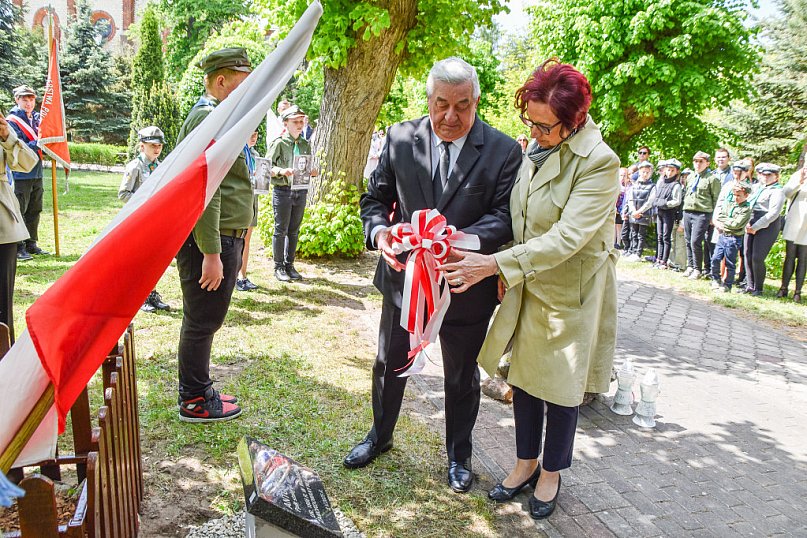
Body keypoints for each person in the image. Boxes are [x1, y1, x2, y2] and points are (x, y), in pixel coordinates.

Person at [438, 59, 619, 519]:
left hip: (569, 293)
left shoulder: (599, 162)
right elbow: (519, 216)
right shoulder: (537, 151)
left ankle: (552, 473)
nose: (534, 132)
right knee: (524, 378)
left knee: (559, 385)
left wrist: (495, 264)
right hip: (526, 281)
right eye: (530, 121)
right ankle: (524, 463)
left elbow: (568, 237)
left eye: (544, 125)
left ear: (574, 119)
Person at [348, 57, 521, 494]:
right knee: (389, 364)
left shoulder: (503, 151)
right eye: (441, 104)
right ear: (429, 99)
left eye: (462, 106)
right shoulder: (401, 138)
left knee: (461, 375)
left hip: (464, 284)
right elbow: (375, 199)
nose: (450, 116)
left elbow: (504, 216)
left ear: (476, 101)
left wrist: (459, 240)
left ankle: (459, 456)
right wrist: (381, 233)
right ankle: (380, 436)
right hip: (404, 280)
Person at [174, 47, 254, 422]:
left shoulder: (219, 117)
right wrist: (210, 252)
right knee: (202, 320)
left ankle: (200, 388)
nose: (247, 90)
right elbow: (206, 188)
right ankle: (193, 400)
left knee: (205, 319)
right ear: (221, 80)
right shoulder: (209, 118)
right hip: (213, 237)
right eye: (241, 83)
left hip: (223, 235)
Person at [119, 126, 171, 312]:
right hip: (140, 220)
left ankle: (152, 293)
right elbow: (123, 193)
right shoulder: (135, 167)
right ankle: (140, 297)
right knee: (141, 260)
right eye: (152, 145)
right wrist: (144, 202)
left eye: (159, 146)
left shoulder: (161, 166)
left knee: (154, 259)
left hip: (157, 220)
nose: (157, 149)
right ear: (142, 147)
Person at [1, 115, 39, 344]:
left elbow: (27, 162)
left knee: (1, 302)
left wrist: (7, 136)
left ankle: (3, 359)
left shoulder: (4, 132)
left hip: (2, 227)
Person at [267, 105, 317, 282]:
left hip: (299, 190)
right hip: (283, 191)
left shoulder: (304, 144)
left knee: (294, 230)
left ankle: (290, 264)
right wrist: (282, 171)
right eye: (295, 121)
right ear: (286, 123)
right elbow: (267, 167)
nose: (300, 124)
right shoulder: (279, 143)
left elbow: (306, 165)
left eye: (301, 121)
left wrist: (311, 171)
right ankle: (278, 266)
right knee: (281, 229)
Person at [6, 85, 48, 260]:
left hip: (37, 171)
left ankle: (31, 243)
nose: (28, 102)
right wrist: (39, 143)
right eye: (24, 99)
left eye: (31, 99)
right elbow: (18, 146)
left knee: (34, 208)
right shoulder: (12, 121)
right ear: (17, 100)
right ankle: (18, 246)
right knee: (20, 209)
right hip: (20, 172)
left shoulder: (38, 119)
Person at [744, 163, 786, 296]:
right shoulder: (757, 187)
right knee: (747, 254)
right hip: (751, 222)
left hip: (767, 225)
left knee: (757, 257)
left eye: (769, 175)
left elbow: (773, 213)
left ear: (776, 176)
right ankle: (750, 285)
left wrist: (756, 227)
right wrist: (746, 222)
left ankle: (758, 288)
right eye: (763, 174)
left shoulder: (778, 191)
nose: (766, 177)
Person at [682, 151, 720, 279]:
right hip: (688, 210)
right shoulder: (690, 177)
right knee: (687, 240)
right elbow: (687, 194)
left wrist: (714, 217)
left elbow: (716, 198)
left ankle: (698, 269)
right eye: (696, 161)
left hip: (703, 213)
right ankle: (690, 266)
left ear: (707, 163)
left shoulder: (712, 178)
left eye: (701, 161)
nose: (697, 164)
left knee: (696, 241)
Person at [710, 182, 752, 292]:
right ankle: (715, 279)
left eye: (739, 195)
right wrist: (726, 221)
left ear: (746, 195)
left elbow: (735, 224)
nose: (736, 198)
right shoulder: (730, 203)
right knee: (715, 258)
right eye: (734, 195)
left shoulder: (746, 209)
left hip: (733, 238)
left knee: (730, 263)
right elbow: (720, 215)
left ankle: (727, 285)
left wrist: (725, 222)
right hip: (723, 236)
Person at [779, 159, 807, 302]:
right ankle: (783, 288)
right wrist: (800, 182)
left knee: (803, 259)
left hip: (806, 227)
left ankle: (797, 292)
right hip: (794, 221)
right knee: (790, 257)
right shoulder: (797, 175)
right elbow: (786, 192)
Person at [236, 131, 261, 292]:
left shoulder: (255, 154)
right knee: (236, 240)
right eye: (249, 133)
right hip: (239, 200)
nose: (253, 137)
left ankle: (242, 276)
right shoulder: (238, 152)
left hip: (252, 198)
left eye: (256, 134)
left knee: (246, 240)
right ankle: (234, 275)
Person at [652, 159, 683, 269]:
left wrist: (665, 203)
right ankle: (658, 259)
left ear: (676, 172)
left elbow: (677, 201)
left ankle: (664, 261)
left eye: (672, 170)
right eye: (668, 170)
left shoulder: (676, 185)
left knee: (666, 236)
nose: (669, 172)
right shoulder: (661, 182)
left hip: (669, 212)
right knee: (659, 236)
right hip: (660, 211)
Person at [625, 161, 656, 261]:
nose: (645, 174)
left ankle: (638, 253)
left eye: (647, 172)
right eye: (643, 172)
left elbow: (650, 202)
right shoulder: (634, 185)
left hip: (644, 214)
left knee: (641, 234)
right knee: (633, 233)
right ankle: (633, 251)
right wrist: (633, 211)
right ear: (639, 172)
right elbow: (630, 199)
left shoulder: (652, 186)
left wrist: (640, 211)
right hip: (634, 213)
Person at [614, 167, 629, 248]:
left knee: (619, 226)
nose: (622, 178)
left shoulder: (627, 188)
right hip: (614, 209)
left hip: (622, 209)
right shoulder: (615, 185)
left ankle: (618, 243)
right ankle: (613, 242)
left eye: (624, 175)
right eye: (621, 175)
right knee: (613, 226)